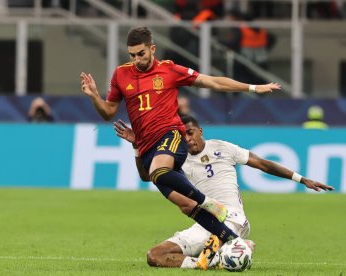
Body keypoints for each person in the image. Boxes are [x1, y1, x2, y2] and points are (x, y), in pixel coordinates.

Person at [80, 26, 281, 269]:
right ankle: (228, 246)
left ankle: (209, 202)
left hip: (170, 136)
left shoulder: (169, 70)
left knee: (159, 172)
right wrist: (93, 96)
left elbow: (212, 82)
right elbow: (108, 112)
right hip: (148, 147)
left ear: (152, 49)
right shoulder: (121, 75)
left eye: (141, 54)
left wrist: (252, 88)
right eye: (132, 55)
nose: (136, 60)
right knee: (186, 205)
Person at [114, 115, 334, 270]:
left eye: (190, 133)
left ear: (200, 131)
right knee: (155, 256)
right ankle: (218, 258)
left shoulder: (222, 147)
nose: (187, 139)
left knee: (210, 245)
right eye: (182, 136)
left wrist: (301, 179)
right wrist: (138, 146)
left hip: (231, 218)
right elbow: (147, 176)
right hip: (204, 223)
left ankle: (224, 248)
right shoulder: (177, 160)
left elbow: (261, 163)